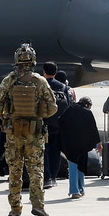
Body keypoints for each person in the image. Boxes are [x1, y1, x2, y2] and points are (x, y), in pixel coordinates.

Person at [0, 43, 57, 216]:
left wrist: (8, 118)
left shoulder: (9, 80)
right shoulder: (39, 81)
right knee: (36, 170)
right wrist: (38, 115)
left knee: (15, 170)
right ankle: (38, 205)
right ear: (33, 60)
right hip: (34, 133)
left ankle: (15, 208)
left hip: (13, 133)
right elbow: (53, 107)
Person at [59, 96, 102, 199]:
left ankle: (74, 191)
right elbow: (93, 129)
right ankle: (81, 189)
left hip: (69, 143)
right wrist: (98, 143)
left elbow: (60, 122)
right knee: (81, 166)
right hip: (82, 144)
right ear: (87, 105)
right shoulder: (87, 113)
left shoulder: (69, 109)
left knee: (73, 166)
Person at [41, 61, 71, 189]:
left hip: (44, 124)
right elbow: (69, 106)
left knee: (44, 152)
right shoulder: (63, 87)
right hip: (59, 124)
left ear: (44, 72)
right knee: (56, 151)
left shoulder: (41, 86)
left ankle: (47, 177)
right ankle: (53, 177)